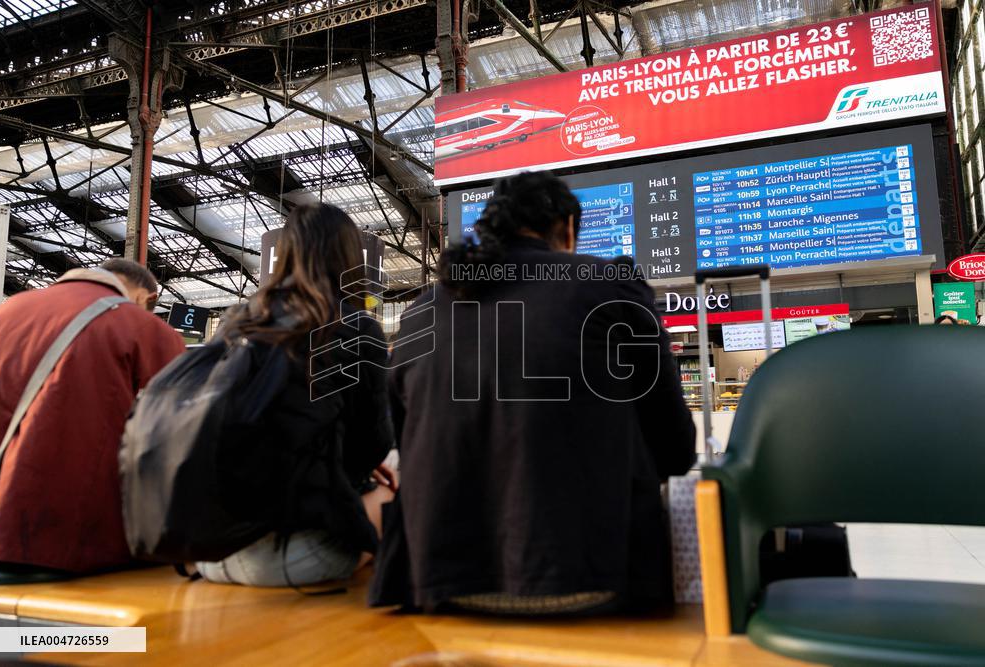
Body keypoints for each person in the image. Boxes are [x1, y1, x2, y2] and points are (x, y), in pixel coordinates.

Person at [370, 171, 696, 615]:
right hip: (592, 579)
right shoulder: (611, 286)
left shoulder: (422, 310)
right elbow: (675, 450)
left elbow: (404, 437)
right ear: (567, 228)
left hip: (440, 585)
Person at [195, 203, 396, 588]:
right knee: (394, 496)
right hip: (295, 559)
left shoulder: (235, 321)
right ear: (349, 258)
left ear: (285, 254)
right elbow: (373, 443)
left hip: (211, 551)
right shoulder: (354, 326)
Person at [0, 259, 184, 573]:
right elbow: (181, 429)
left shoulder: (7, 310)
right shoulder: (144, 327)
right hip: (68, 536)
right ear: (147, 297)